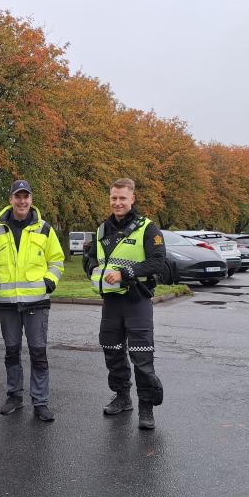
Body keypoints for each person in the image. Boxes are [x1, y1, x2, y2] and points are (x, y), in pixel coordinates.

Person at [84, 178, 165, 429]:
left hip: (137, 299)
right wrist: (93, 269)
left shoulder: (147, 228)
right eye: (113, 198)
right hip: (111, 302)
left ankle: (146, 407)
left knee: (141, 356)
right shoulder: (101, 230)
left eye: (122, 198)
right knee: (112, 350)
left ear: (132, 198)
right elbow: (88, 259)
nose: (117, 203)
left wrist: (125, 272)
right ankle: (122, 397)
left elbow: (158, 262)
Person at [0, 180, 64, 421]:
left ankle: (40, 402)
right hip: (8, 303)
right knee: (11, 352)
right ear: (10, 199)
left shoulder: (45, 229)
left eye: (26, 197)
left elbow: (57, 260)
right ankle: (15, 397)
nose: (22, 201)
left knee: (38, 353)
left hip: (37, 302)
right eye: (17, 197)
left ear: (31, 199)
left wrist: (49, 282)